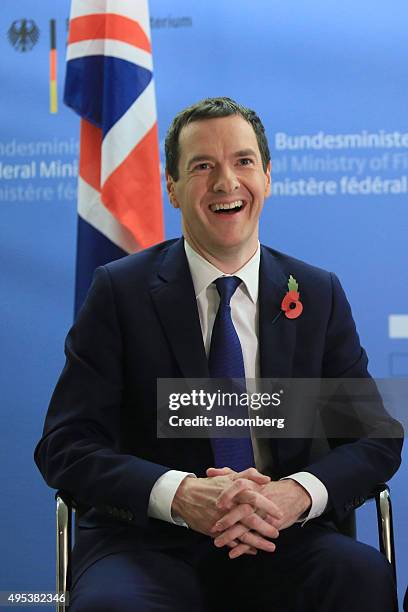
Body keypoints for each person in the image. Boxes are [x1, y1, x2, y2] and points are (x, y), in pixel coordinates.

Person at [35, 97, 402, 611]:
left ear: (268, 177)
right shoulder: (120, 292)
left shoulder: (316, 294)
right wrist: (180, 494)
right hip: (149, 543)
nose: (226, 181)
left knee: (361, 578)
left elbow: (374, 439)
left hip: (285, 537)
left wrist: (294, 494)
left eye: (243, 161)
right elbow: (66, 444)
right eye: (202, 166)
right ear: (172, 187)